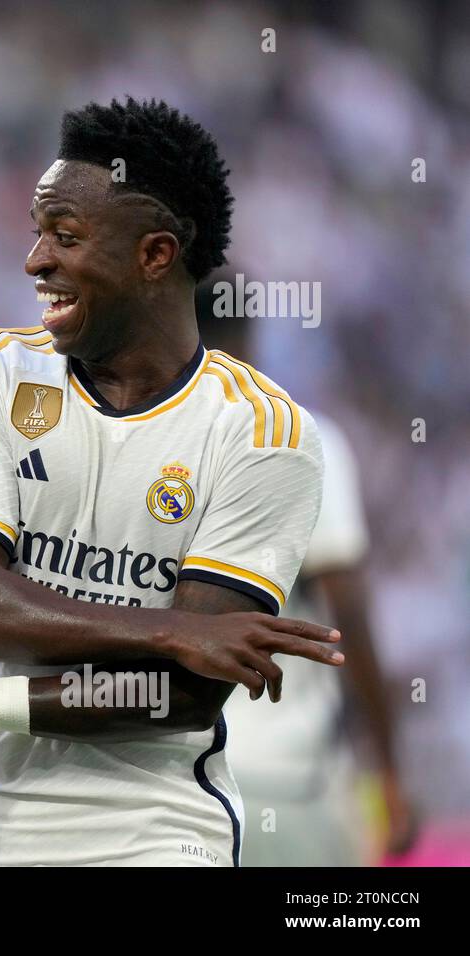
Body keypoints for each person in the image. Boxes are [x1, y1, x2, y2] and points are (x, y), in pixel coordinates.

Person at [0, 98, 340, 866]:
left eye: (66, 236)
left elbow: (178, 697)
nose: (35, 260)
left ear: (154, 256)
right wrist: (167, 628)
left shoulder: (264, 434)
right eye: (36, 231)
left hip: (159, 836)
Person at [198, 278, 419, 865]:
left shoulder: (138, 450)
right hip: (287, 781)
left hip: (171, 784)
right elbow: (348, 613)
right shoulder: (298, 439)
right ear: (251, 331)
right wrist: (390, 771)